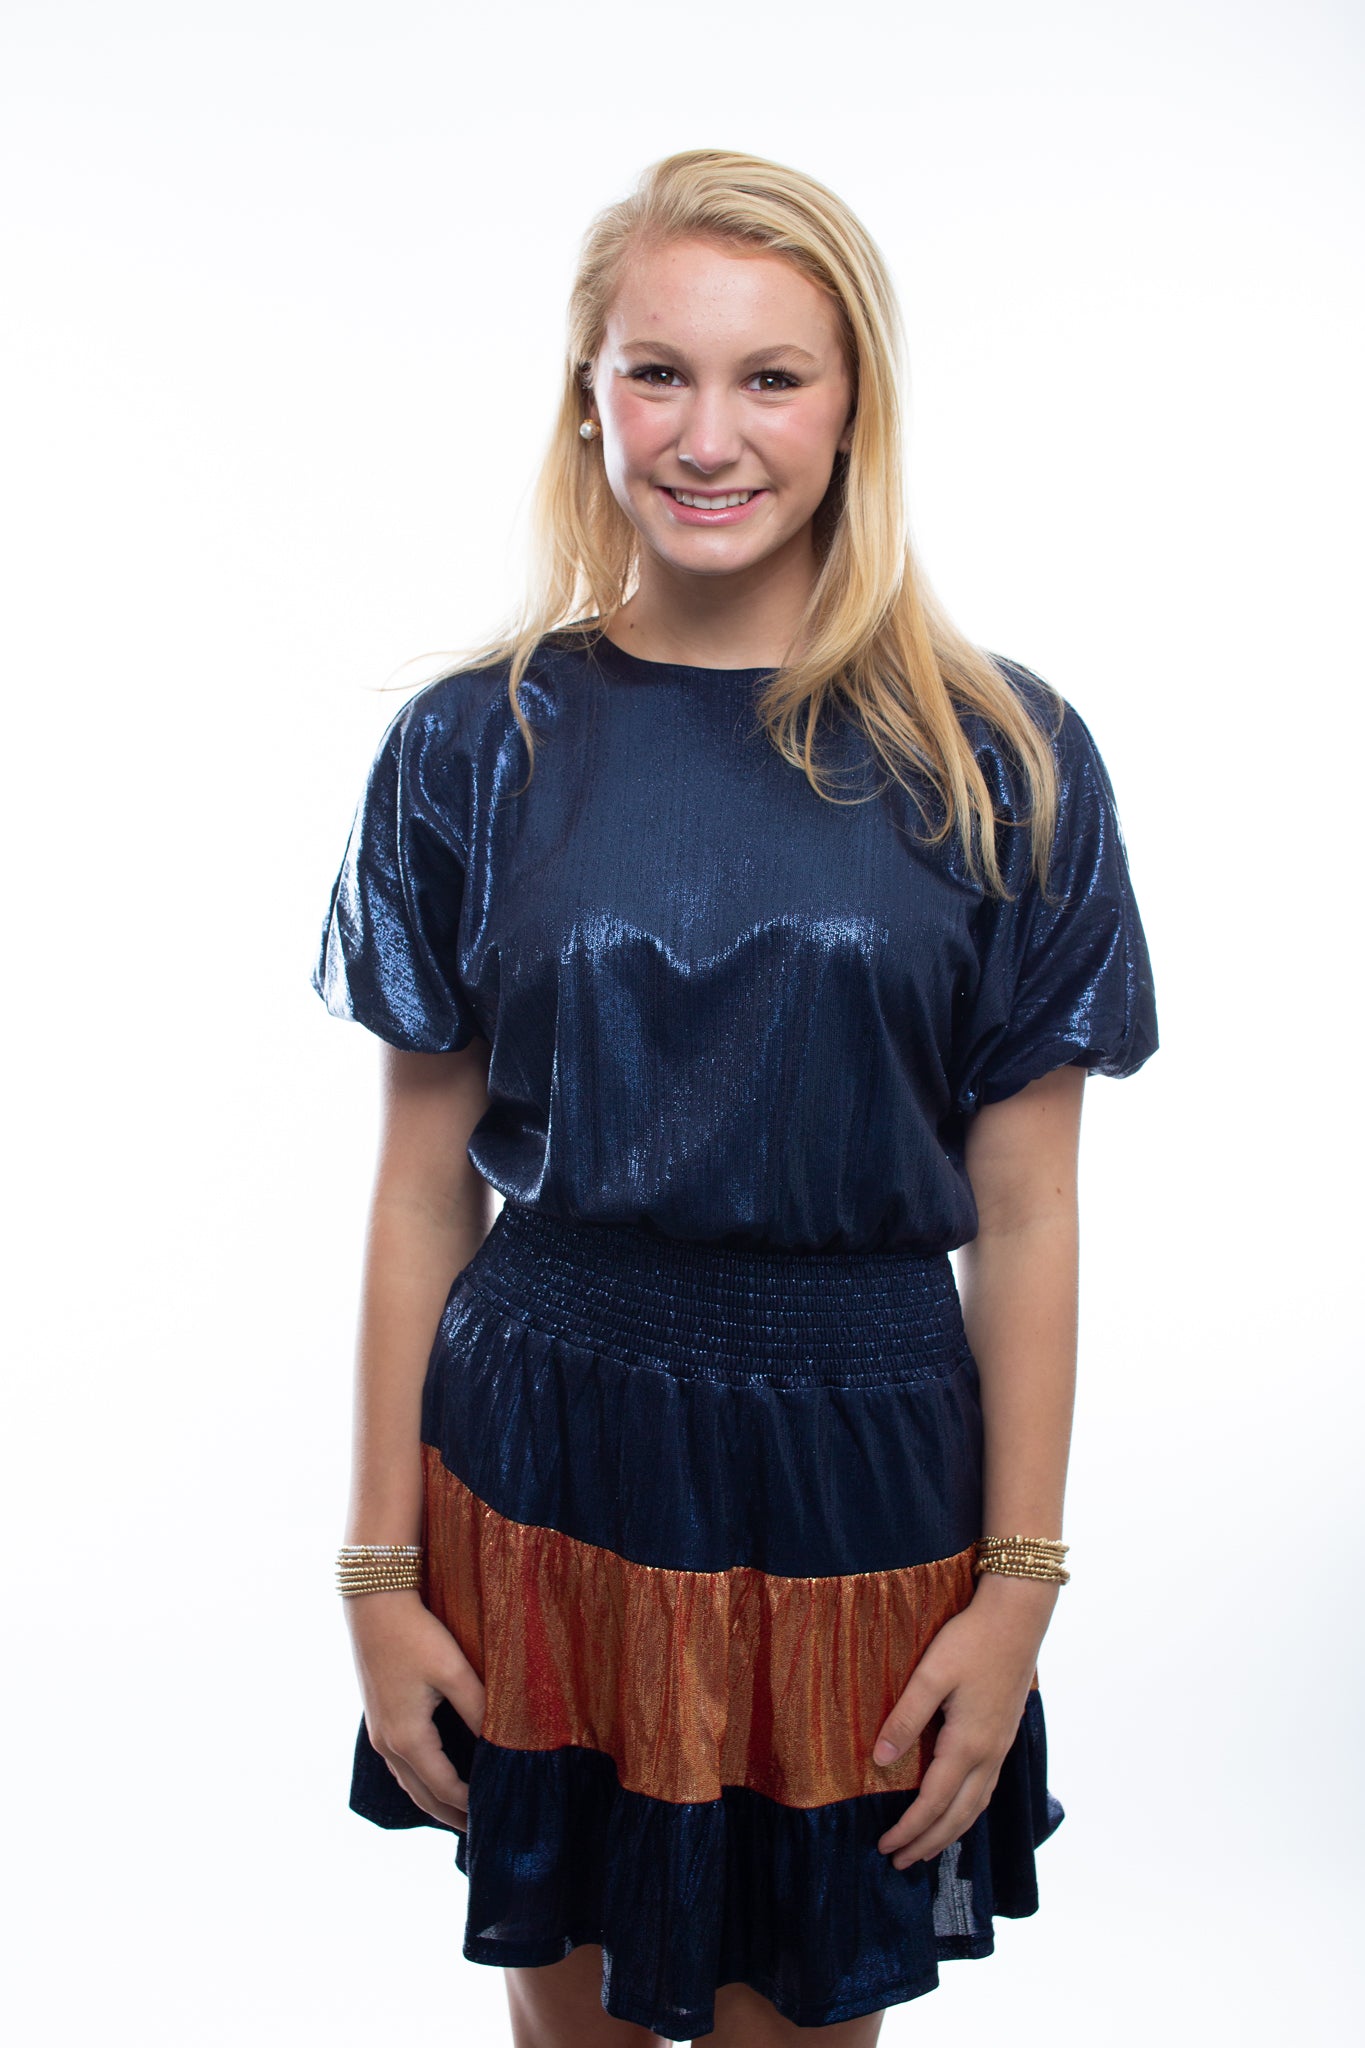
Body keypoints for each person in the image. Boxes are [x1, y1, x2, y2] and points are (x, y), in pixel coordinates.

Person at [310, 147, 1159, 2047]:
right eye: (658, 373)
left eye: (770, 376)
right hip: (544, 1445)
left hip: (859, 1462)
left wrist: (1016, 1589)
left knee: (804, 2016)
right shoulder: (476, 745)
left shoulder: (999, 754)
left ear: (854, 407)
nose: (708, 436)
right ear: (588, 396)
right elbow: (422, 1186)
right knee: (575, 2027)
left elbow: (1028, 1210)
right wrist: (375, 1570)